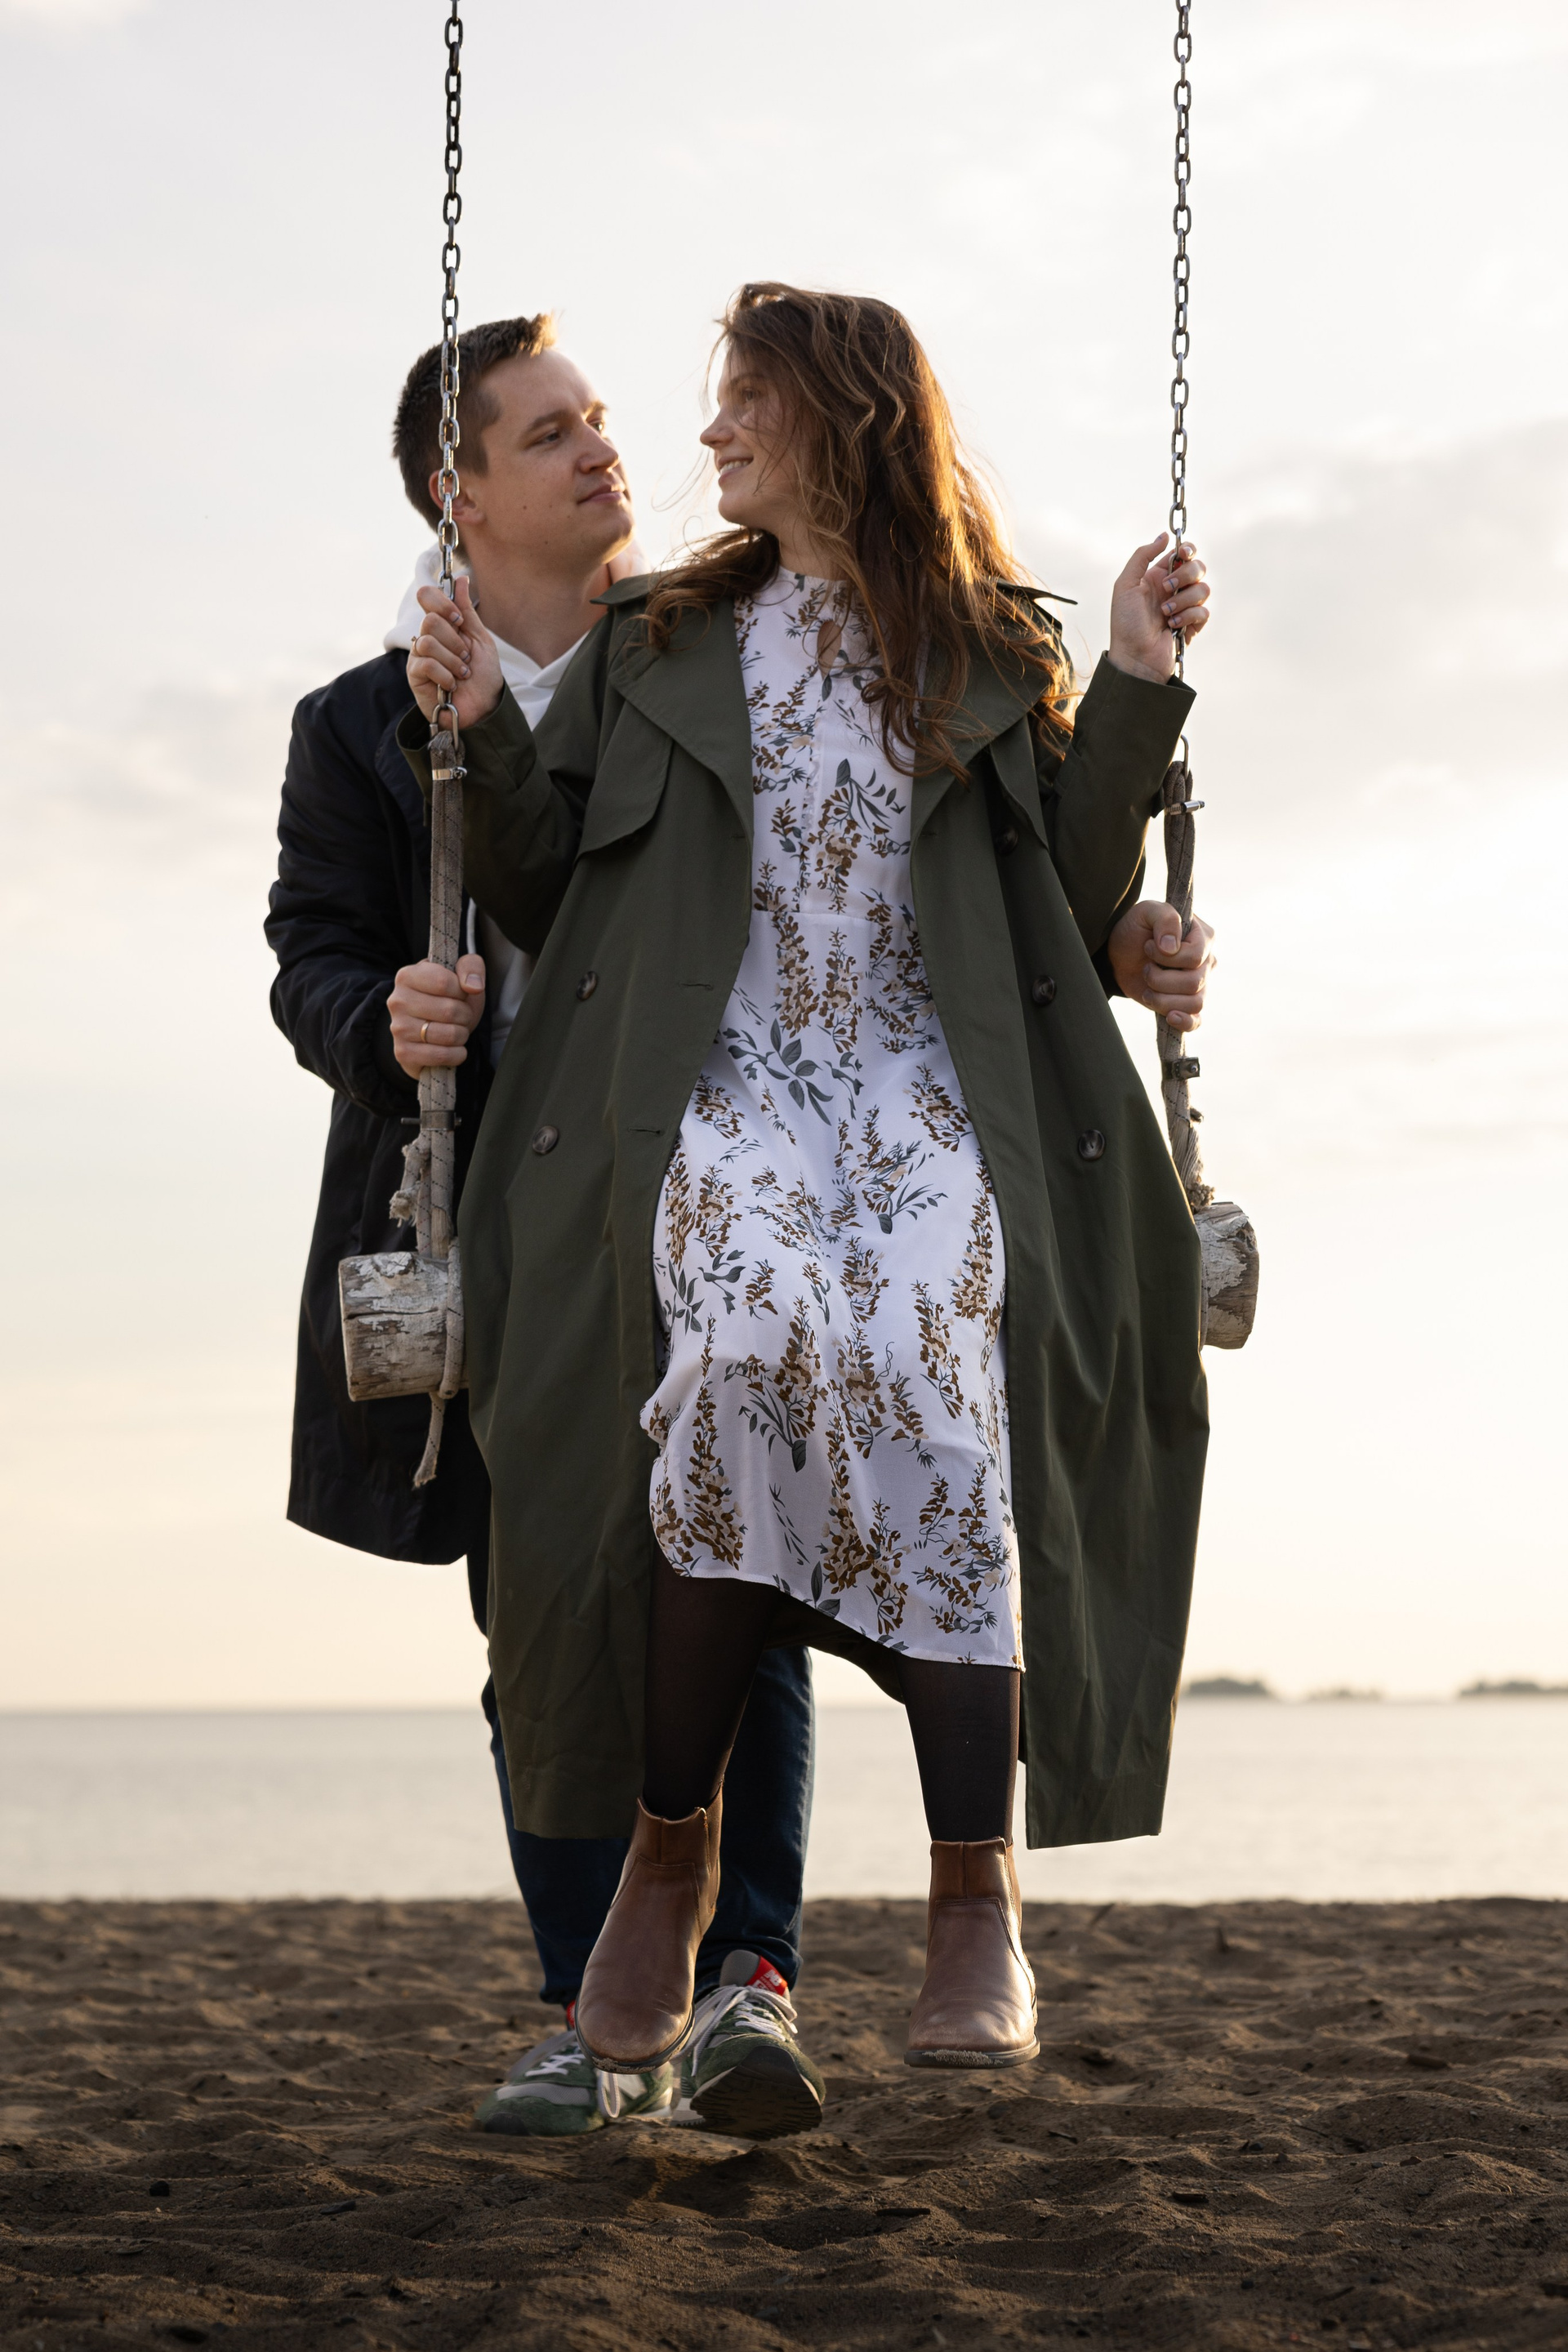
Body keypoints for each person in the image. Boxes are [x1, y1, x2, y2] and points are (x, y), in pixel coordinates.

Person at [403, 281, 1217, 2079]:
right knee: (747, 1336)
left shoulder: (989, 647)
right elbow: (546, 881)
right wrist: (476, 724)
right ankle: (668, 1857)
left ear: (840, 418)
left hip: (928, 1087)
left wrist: (1140, 680)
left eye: (743, 402)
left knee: (939, 1366)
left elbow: (1076, 885)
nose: (709, 434)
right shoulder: (665, 638)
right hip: (726, 1081)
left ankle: (972, 1892)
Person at [266, 312, 826, 2143]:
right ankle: (597, 2012)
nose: (606, 449)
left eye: (600, 418)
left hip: (711, 1181)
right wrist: (383, 1019)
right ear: (460, 490)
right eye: (549, 432)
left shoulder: (714, 653)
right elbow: (309, 956)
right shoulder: (357, 721)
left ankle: (746, 1986)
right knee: (539, 1612)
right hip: (489, 1205)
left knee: (737, 1577)